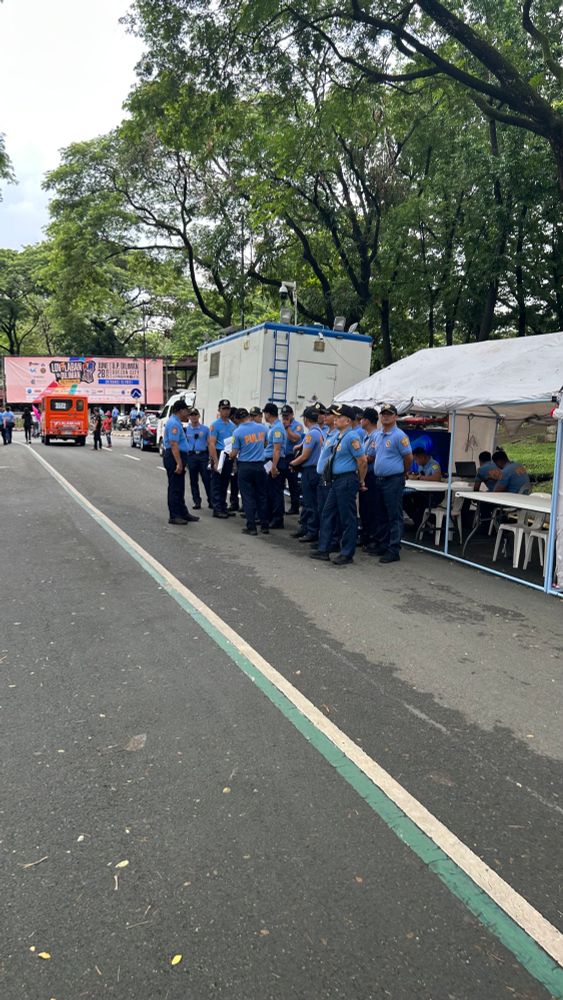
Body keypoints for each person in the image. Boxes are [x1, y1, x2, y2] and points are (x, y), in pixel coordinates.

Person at [310, 403, 366, 566]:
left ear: (348, 420)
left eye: (339, 417)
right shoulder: (341, 436)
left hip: (347, 480)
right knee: (327, 513)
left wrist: (360, 481)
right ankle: (324, 549)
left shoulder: (352, 437)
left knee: (347, 518)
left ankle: (347, 553)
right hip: (337, 481)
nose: (336, 419)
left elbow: (362, 461)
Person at [369, 403, 413, 563]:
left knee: (394, 515)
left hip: (393, 480)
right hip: (379, 479)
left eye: (389, 414)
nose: (385, 416)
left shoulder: (399, 436)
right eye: (383, 413)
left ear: (395, 417)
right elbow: (372, 455)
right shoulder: (377, 435)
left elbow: (409, 458)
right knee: (380, 513)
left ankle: (394, 549)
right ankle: (383, 544)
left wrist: (402, 472)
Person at [230, 408, 269, 535]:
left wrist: (229, 455)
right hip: (259, 466)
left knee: (247, 497)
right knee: (262, 496)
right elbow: (265, 444)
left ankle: (251, 526)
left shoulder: (237, 432)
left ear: (238, 419)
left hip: (245, 466)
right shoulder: (262, 428)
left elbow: (234, 453)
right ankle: (264, 525)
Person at [162, 399, 200, 525]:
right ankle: (174, 515)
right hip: (174, 457)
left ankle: (183, 512)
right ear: (180, 411)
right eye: (186, 411)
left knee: (180, 486)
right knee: (175, 487)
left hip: (178, 456)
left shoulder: (176, 422)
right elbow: (173, 444)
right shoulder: (174, 423)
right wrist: (179, 463)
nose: (187, 414)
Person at [288, 407, 324, 542]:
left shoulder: (311, 434)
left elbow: (305, 456)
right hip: (315, 470)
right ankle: (307, 528)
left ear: (306, 419)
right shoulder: (318, 432)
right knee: (312, 501)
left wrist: (292, 463)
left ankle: (312, 530)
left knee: (310, 503)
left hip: (310, 471)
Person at [403, 446, 442, 531]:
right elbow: (421, 475)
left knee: (419, 504)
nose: (416, 463)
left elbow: (437, 477)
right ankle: (419, 523)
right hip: (422, 493)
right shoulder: (421, 465)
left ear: (422, 457)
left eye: (416, 460)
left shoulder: (434, 464)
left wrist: (419, 478)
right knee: (405, 499)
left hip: (433, 495)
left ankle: (423, 524)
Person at [208, 399, 236, 518]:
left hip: (229, 454)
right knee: (217, 482)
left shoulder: (232, 426)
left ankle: (223, 506)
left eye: (227, 409)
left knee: (225, 482)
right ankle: (217, 508)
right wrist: (215, 460)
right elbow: (212, 444)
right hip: (219, 454)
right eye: (223, 409)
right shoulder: (215, 425)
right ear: (219, 410)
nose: (226, 411)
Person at [263, 402, 287, 528]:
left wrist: (274, 466)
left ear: (268, 414)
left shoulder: (277, 428)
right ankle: (270, 516)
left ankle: (277, 518)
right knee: (269, 490)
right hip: (270, 460)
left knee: (275, 491)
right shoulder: (273, 427)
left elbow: (277, 449)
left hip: (275, 461)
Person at [359, 407, 379, 547]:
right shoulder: (366, 436)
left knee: (371, 508)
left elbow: (370, 457)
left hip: (371, 475)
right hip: (364, 474)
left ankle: (372, 536)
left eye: (362, 418)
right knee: (364, 507)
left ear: (367, 420)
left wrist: (357, 459)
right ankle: (365, 535)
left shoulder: (375, 436)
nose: (360, 421)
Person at [185, 408, 211, 510]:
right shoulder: (187, 429)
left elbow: (209, 443)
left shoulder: (205, 429)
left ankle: (211, 500)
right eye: (191, 415)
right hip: (192, 456)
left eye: (195, 415)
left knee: (207, 479)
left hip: (203, 456)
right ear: (189, 417)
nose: (194, 417)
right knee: (193, 480)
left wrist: (211, 457)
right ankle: (197, 501)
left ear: (199, 416)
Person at [281, 404, 304, 514]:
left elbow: (294, 438)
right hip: (282, 456)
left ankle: (294, 506)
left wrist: (287, 427)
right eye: (284, 415)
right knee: (279, 482)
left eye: (287, 415)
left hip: (292, 456)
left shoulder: (297, 426)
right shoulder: (280, 425)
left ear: (292, 415)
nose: (285, 418)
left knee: (292, 483)